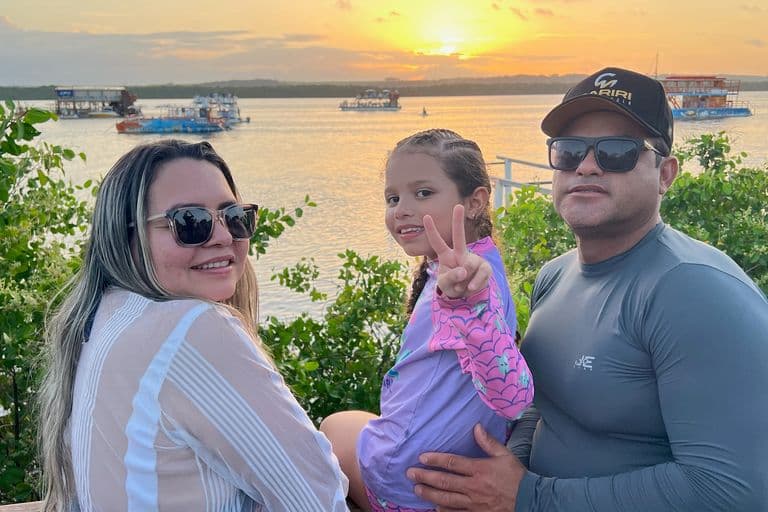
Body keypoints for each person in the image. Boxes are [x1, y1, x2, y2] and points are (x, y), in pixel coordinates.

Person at [406, 67, 768, 511]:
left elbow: (731, 491)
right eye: (569, 150)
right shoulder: (555, 276)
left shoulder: (695, 292)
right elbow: (544, 408)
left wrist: (528, 496)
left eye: (618, 151)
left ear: (665, 174)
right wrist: (500, 476)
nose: (588, 165)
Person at [38, 140, 350, 511]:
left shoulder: (103, 315)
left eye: (235, 216)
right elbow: (317, 498)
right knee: (349, 432)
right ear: (126, 238)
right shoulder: (192, 330)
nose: (223, 237)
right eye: (190, 222)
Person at [320, 129, 534, 511]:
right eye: (393, 197)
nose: (401, 209)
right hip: (435, 474)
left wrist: (471, 308)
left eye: (423, 193)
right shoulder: (471, 268)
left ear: (475, 201)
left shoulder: (471, 284)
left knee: (334, 426)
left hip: (410, 483)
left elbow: (513, 400)